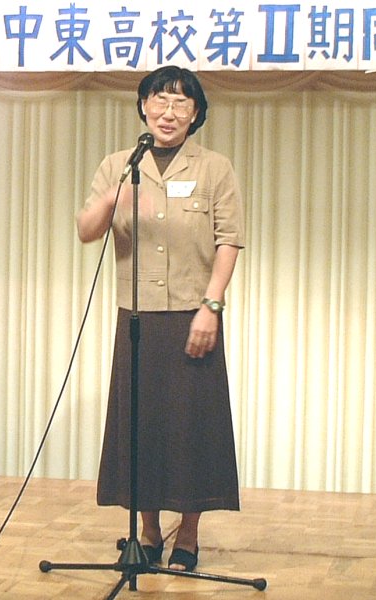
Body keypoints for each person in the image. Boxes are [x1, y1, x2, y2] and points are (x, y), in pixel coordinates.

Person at [76, 65, 244, 572]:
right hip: (139, 318)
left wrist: (211, 306)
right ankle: (147, 533)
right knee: (141, 428)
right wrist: (114, 197)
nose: (169, 112)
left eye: (181, 103)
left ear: (196, 114)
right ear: (144, 107)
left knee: (193, 429)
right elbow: (86, 230)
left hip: (193, 315)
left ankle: (188, 534)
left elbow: (229, 240)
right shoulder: (118, 165)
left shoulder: (214, 168)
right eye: (160, 100)